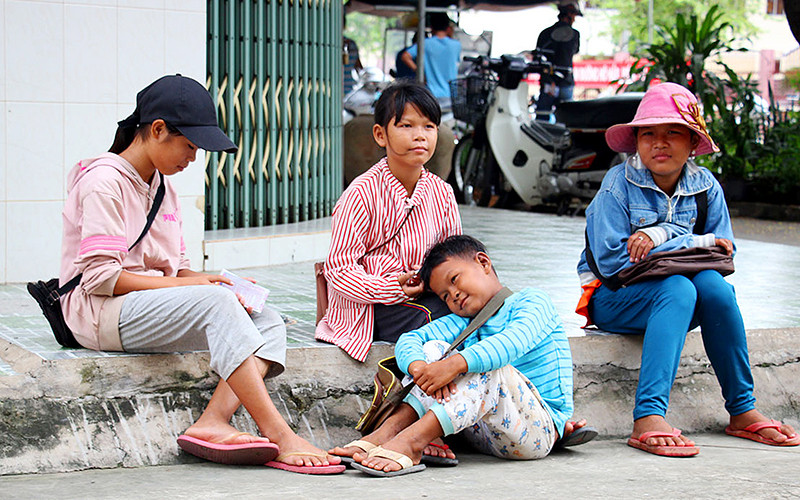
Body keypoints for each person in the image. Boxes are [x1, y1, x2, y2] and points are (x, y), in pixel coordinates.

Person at [59, 75, 344, 475]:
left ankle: (213, 420)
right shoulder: (103, 183)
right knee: (216, 302)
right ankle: (280, 434)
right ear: (158, 130)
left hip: (145, 306)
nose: (193, 158)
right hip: (98, 314)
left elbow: (177, 270)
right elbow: (101, 279)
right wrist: (196, 285)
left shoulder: (162, 186)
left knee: (267, 320)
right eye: (190, 145)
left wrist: (220, 282)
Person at [576, 82, 800, 457]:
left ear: (693, 142)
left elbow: (723, 251)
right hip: (614, 299)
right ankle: (648, 416)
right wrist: (692, 242)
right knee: (678, 287)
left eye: (673, 133)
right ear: (636, 141)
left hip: (680, 300)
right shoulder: (618, 185)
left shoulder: (705, 185)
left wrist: (661, 234)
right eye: (648, 134)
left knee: (714, 286)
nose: (659, 143)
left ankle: (742, 410)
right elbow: (613, 263)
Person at [332, 235, 585, 477]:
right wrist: (421, 368)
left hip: (535, 432)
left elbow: (511, 343)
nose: (453, 295)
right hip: (480, 435)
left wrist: (453, 365)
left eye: (454, 279)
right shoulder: (465, 321)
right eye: (444, 296)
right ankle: (389, 431)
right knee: (433, 349)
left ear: (483, 263)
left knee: (487, 364)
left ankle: (412, 441)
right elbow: (410, 339)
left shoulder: (532, 302)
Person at [316, 80, 462, 364]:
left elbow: (453, 256)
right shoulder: (360, 194)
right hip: (371, 307)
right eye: (406, 126)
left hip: (425, 296)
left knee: (477, 307)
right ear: (380, 135)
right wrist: (391, 287)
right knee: (440, 320)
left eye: (429, 126)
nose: (419, 136)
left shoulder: (442, 193)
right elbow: (339, 269)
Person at [400, 13, 461, 107]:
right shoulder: (456, 45)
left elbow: (405, 56)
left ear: (431, 27)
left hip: (431, 95)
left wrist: (419, 71)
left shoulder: (425, 43)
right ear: (447, 27)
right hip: (451, 95)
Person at [535, 0, 581, 121]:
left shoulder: (545, 33)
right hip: (566, 81)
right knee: (566, 118)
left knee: (542, 117)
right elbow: (575, 51)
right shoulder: (574, 34)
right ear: (569, 15)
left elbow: (539, 57)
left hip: (548, 81)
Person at [343, 16, 363, 95]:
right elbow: (359, 67)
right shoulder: (351, 44)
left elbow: (359, 68)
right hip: (347, 89)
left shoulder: (327, 45)